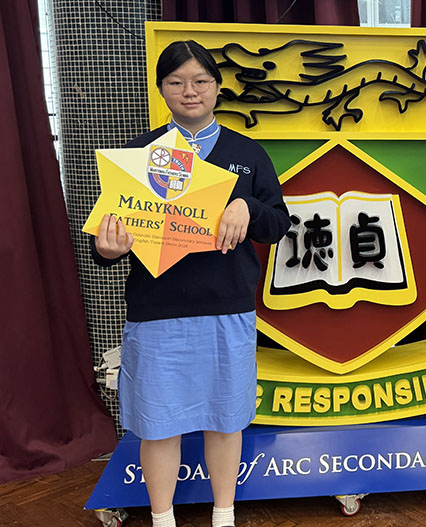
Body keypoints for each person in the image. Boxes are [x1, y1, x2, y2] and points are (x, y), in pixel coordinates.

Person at [92, 40, 291, 527]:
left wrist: (248, 207)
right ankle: (163, 518)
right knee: (159, 426)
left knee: (226, 420)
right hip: (157, 312)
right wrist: (109, 247)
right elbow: (107, 240)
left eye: (201, 81)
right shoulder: (139, 155)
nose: (190, 91)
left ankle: (224, 515)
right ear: (161, 89)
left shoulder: (246, 153)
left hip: (227, 308)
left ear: (217, 88)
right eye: (176, 82)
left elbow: (278, 224)